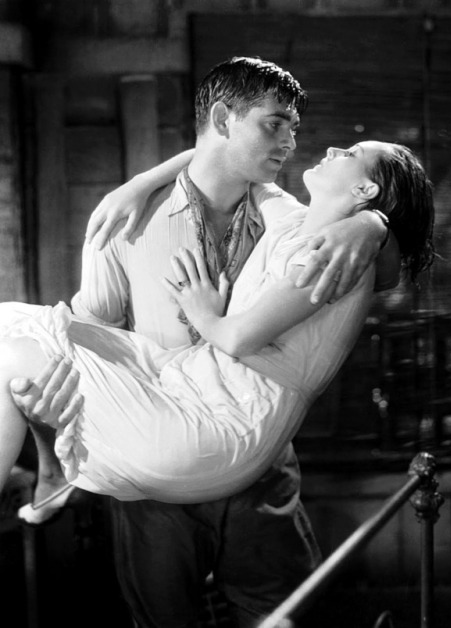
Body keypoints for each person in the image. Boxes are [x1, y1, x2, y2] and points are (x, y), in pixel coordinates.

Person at [7, 58, 409, 628]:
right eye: (276, 125)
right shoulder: (125, 220)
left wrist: (372, 227)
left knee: (284, 615)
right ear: (223, 118)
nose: (293, 142)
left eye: (293, 126)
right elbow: (89, 331)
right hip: (157, 475)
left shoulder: (296, 217)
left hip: (260, 465)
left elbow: (386, 275)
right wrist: (53, 423)